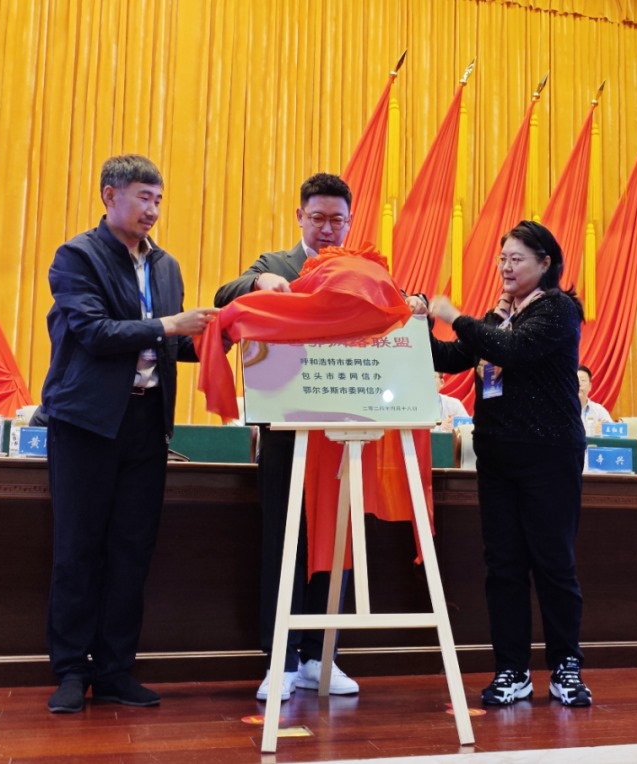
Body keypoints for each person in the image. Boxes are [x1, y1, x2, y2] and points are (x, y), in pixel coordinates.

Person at [214, 173, 425, 702]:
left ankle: (320, 655)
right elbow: (224, 295)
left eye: (338, 220)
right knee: (284, 543)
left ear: (350, 221)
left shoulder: (362, 271)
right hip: (288, 434)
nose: (328, 229)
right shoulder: (275, 265)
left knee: (338, 544)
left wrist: (414, 303)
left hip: (346, 435)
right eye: (318, 218)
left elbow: (394, 316)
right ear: (300, 218)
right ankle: (280, 660)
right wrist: (259, 285)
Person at [42, 154, 217, 714]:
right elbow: (95, 332)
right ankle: (72, 670)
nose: (153, 210)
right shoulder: (77, 256)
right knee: (78, 548)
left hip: (146, 422)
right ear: (109, 196)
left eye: (159, 200)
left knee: (132, 550)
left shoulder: (166, 266)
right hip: (87, 422)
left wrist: (227, 333)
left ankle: (115, 669)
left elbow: (173, 345)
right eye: (143, 197)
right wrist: (171, 325)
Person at [427, 220, 592, 708]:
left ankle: (566, 667)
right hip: (497, 459)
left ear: (545, 263)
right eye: (502, 259)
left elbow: (512, 351)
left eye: (516, 259)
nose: (505, 267)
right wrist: (417, 323)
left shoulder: (558, 309)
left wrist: (455, 316)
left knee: (553, 564)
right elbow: (453, 358)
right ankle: (512, 670)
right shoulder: (500, 316)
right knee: (503, 567)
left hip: (549, 457)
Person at [577, 365, 612, 437]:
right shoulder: (563, 410)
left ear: (590, 386)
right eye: (576, 380)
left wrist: (603, 432)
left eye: (583, 380)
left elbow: (613, 434)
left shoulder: (599, 410)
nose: (579, 384)